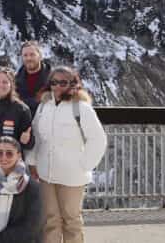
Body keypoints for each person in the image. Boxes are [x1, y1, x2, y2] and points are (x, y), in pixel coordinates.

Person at [28, 66, 107, 243]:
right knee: (50, 220)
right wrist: (32, 162)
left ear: (73, 84)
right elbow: (36, 136)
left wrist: (84, 165)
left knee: (71, 221)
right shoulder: (44, 107)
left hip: (72, 176)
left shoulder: (81, 108)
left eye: (63, 82)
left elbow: (98, 139)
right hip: (46, 173)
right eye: (54, 82)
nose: (57, 86)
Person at [0, 137, 43, 242]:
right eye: (0, 153)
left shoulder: (31, 186)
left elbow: (32, 227)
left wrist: (0, 238)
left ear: (19, 155)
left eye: (9, 153)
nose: (4, 157)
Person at [15, 41, 51, 116]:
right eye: (25, 55)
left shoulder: (53, 79)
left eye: (32, 54)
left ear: (40, 56)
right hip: (23, 120)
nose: (29, 58)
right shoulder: (15, 80)